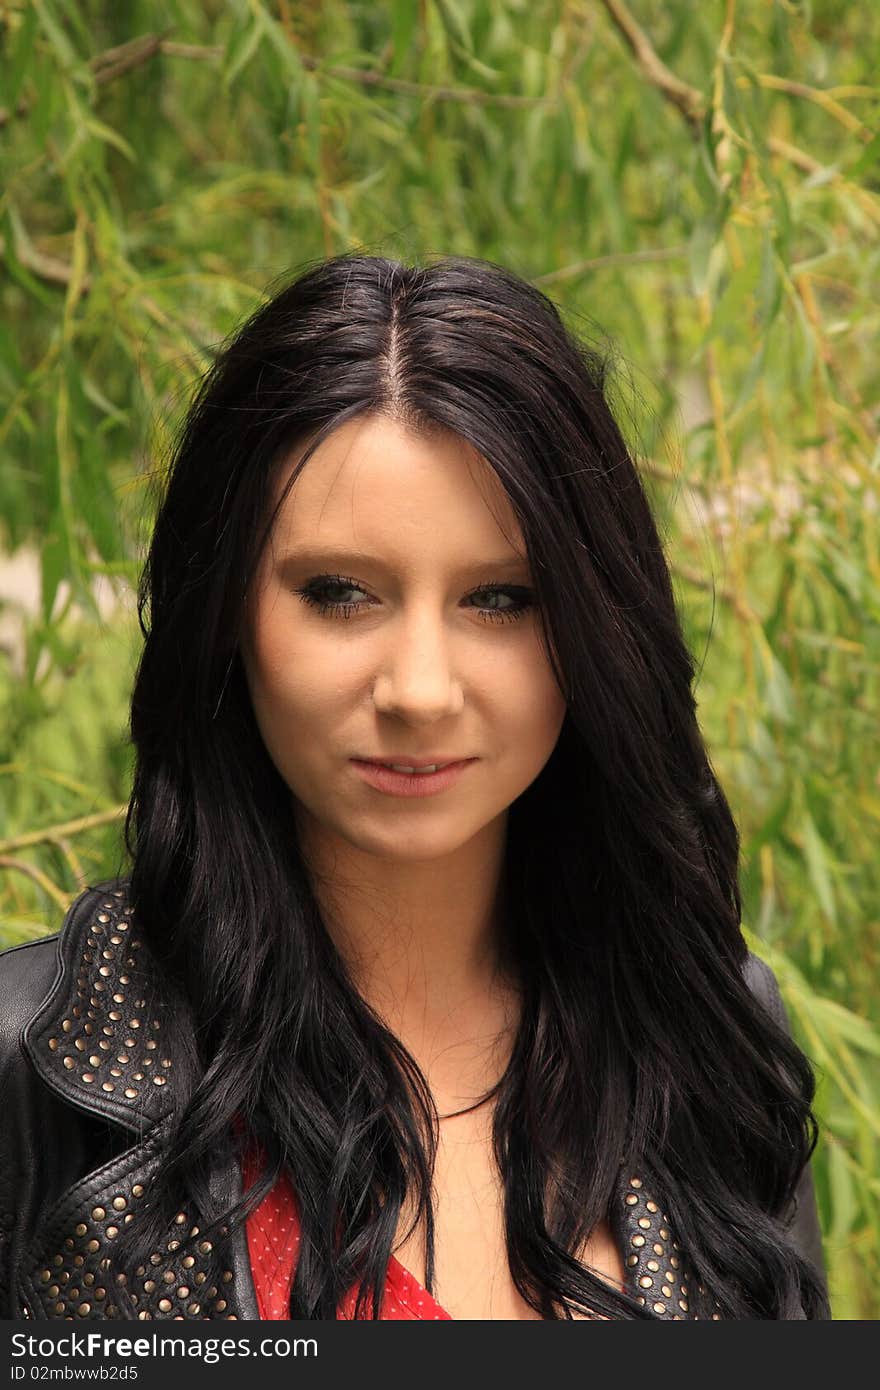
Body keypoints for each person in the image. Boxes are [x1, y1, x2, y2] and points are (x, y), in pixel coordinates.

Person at [0, 254, 829, 1321]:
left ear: (592, 629)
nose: (421, 690)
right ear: (227, 617)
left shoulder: (707, 1037)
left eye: (500, 597)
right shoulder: (42, 1061)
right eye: (339, 592)